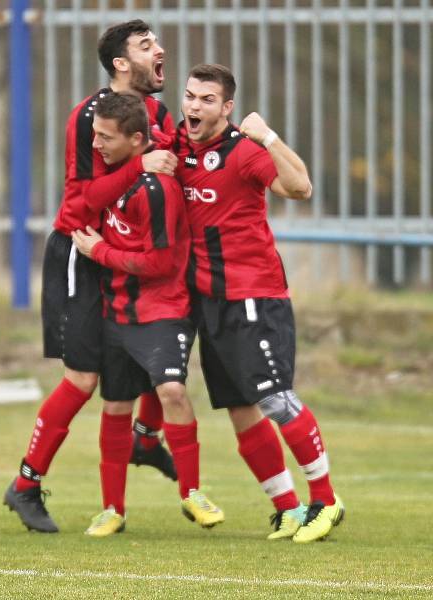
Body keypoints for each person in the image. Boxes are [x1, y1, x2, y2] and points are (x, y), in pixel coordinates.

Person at [3, 19, 179, 534]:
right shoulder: (90, 117)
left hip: (130, 256)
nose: (159, 50)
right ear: (121, 63)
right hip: (83, 253)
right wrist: (145, 163)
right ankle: (26, 485)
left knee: (158, 356)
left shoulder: (161, 114)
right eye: (147, 46)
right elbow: (82, 201)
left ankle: (145, 441)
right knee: (82, 379)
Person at [174, 64, 344, 542]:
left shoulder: (244, 151)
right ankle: (288, 508)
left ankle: (326, 500)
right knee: (240, 408)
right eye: (190, 96)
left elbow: (300, 187)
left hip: (254, 295)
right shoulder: (177, 149)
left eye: (207, 99)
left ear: (227, 108)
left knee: (274, 398)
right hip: (209, 302)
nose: (193, 106)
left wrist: (268, 136)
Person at [71, 92, 223, 537]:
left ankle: (192, 493)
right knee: (116, 404)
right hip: (117, 311)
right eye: (95, 134)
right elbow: (85, 198)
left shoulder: (156, 190)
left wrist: (99, 250)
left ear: (136, 140)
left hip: (162, 312)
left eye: (105, 137)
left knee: (173, 390)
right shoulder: (122, 171)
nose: (96, 144)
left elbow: (160, 263)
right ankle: (112, 509)